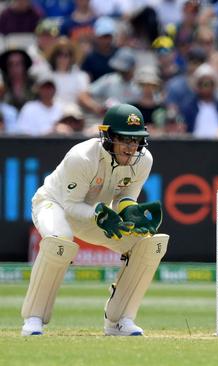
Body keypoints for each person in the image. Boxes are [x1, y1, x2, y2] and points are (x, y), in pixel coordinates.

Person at [21, 103, 168, 336]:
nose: (131, 148)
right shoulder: (82, 157)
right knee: (60, 240)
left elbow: (126, 196)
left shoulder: (144, 160)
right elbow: (69, 205)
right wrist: (100, 213)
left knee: (144, 244)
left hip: (95, 214)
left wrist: (131, 212)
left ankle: (119, 321)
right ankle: (34, 319)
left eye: (136, 140)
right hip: (54, 204)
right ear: (108, 137)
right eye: (125, 140)